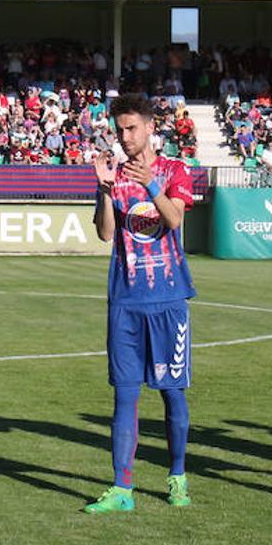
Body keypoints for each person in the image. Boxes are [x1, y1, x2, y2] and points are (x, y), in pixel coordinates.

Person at [85, 93, 197, 514]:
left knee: (172, 393)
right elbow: (105, 233)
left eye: (132, 128)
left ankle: (177, 476)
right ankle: (121, 488)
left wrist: (150, 181)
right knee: (124, 396)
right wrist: (104, 189)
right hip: (126, 300)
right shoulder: (115, 175)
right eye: (119, 130)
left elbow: (174, 218)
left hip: (168, 299)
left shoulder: (174, 170)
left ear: (151, 127)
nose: (125, 137)